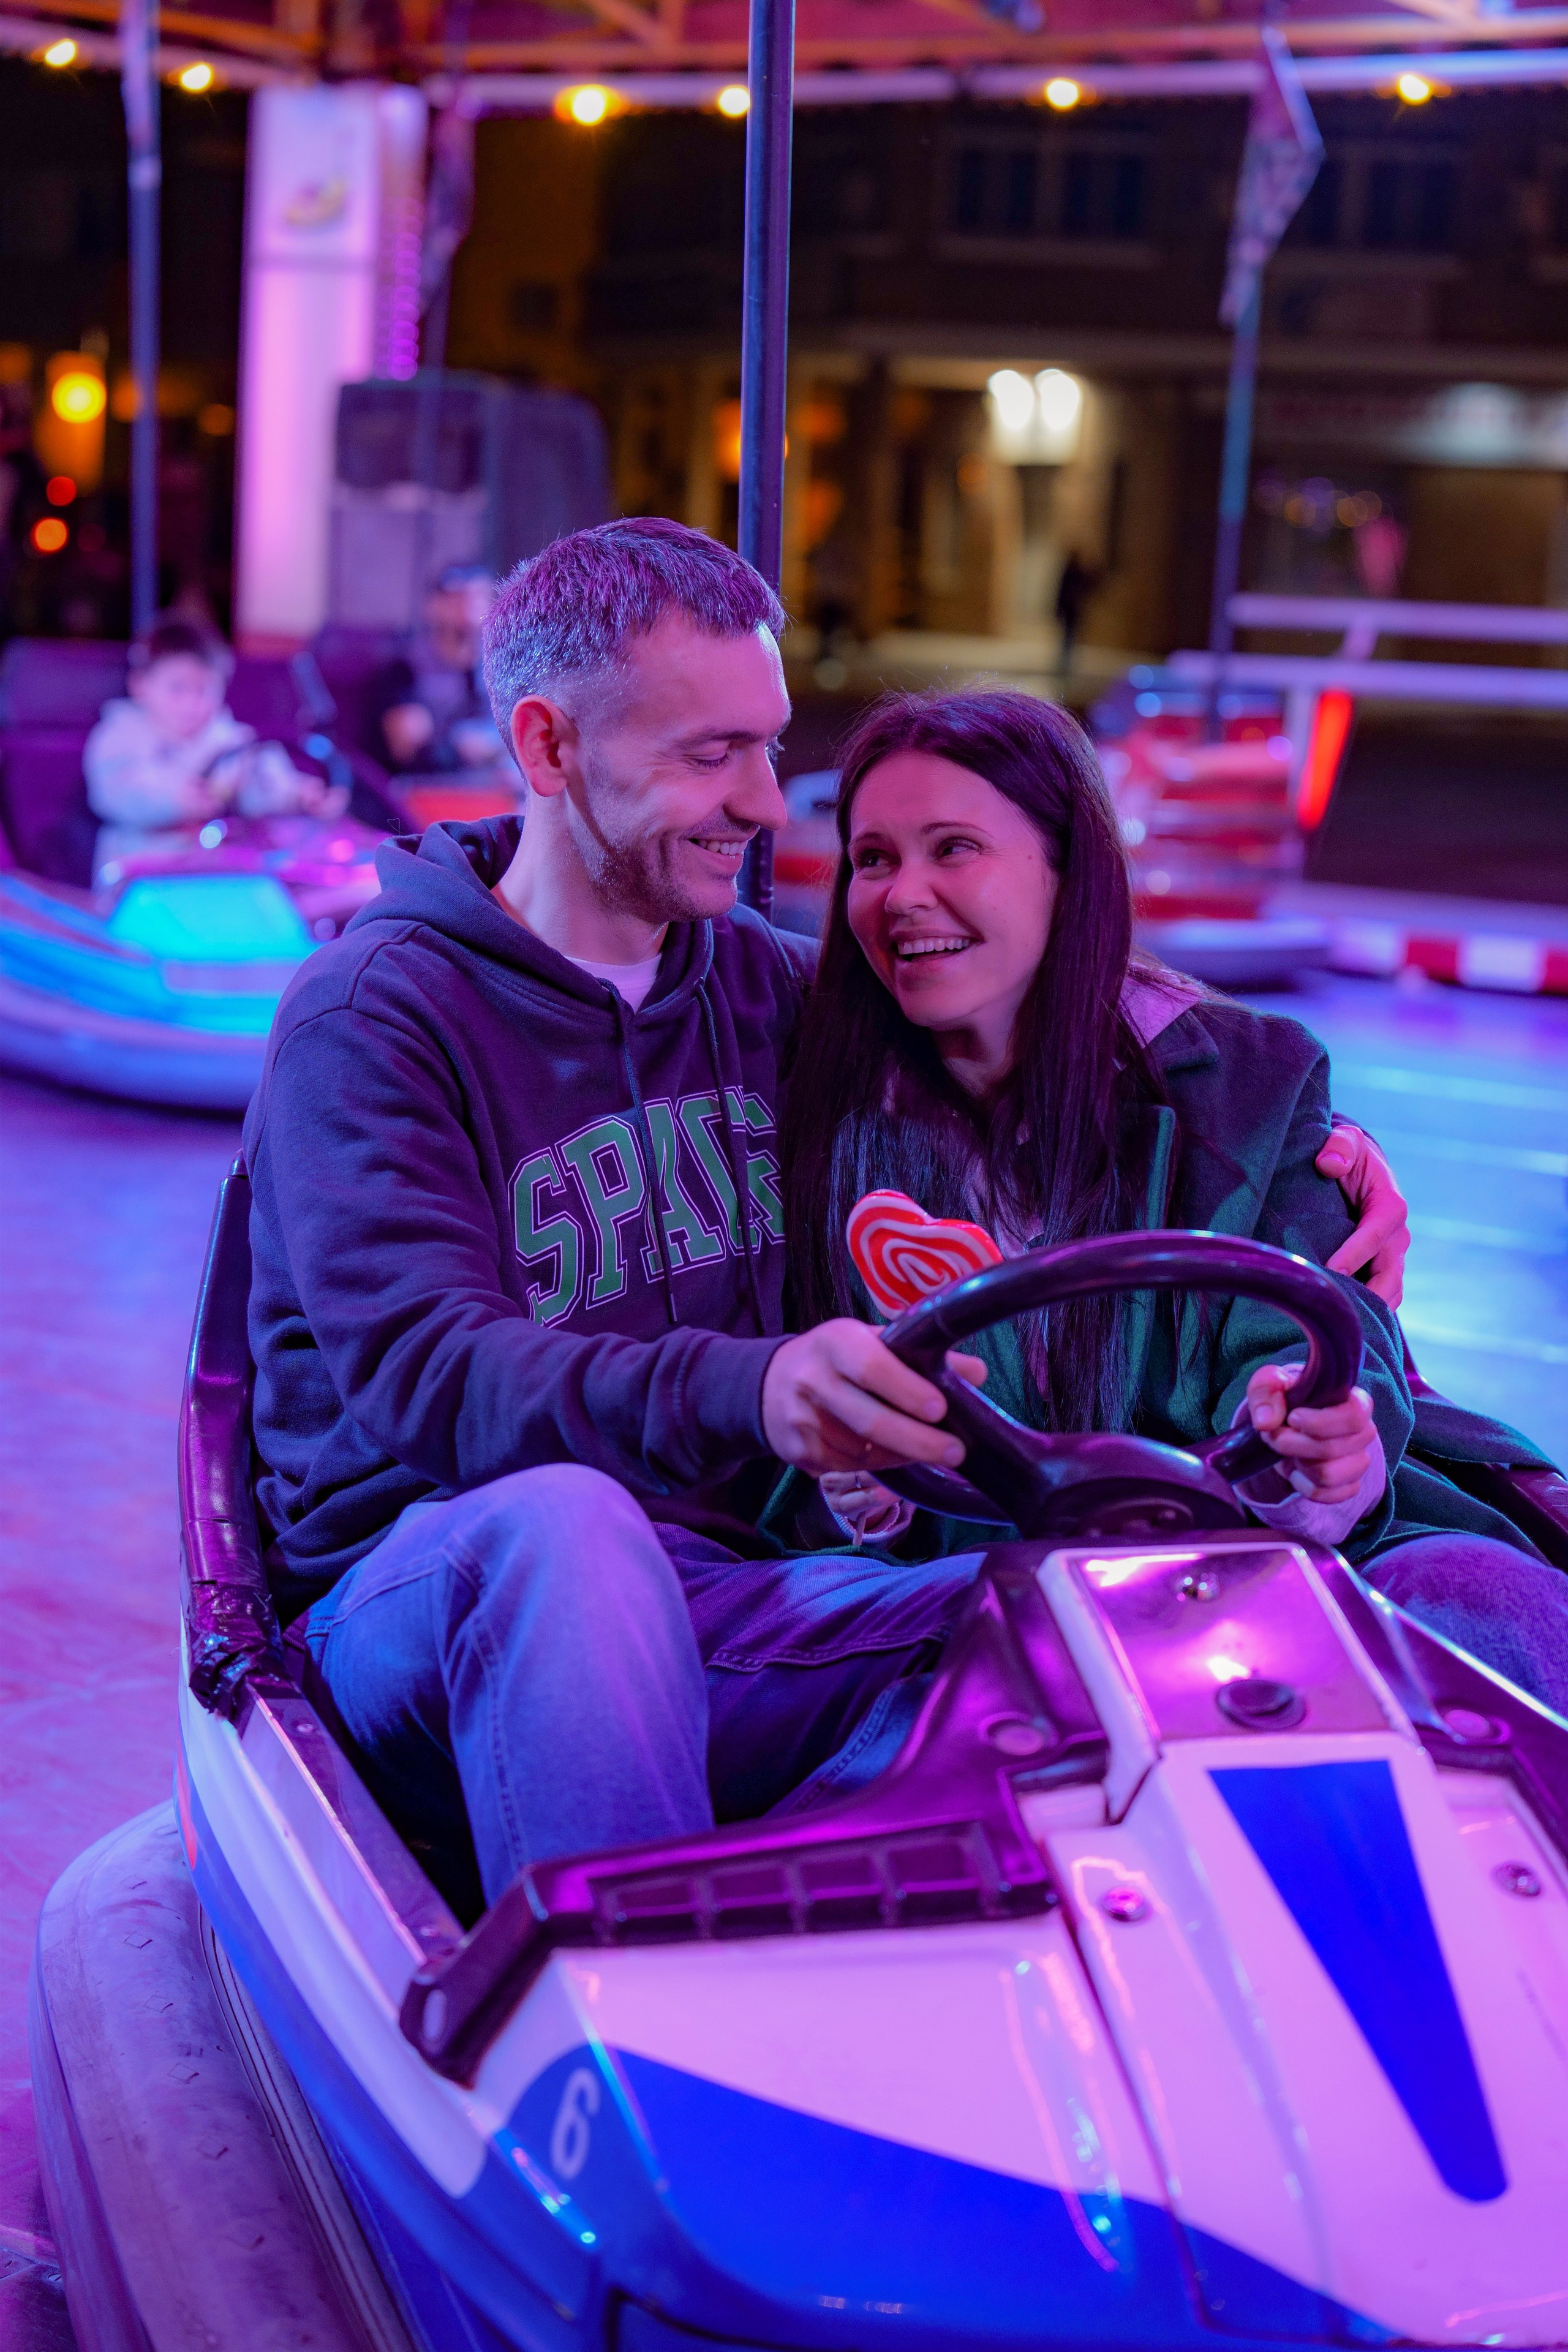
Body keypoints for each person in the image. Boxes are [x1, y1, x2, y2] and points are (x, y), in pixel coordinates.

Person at [243, 518, 1409, 1919]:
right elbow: (427, 1373)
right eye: (703, 754)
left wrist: (1311, 1152)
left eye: (768, 743)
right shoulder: (375, 1018)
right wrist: (760, 1387)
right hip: (432, 1601)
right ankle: (651, 2066)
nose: (760, 800)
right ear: (549, 750)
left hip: (729, 1597)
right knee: (564, 1529)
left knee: (1099, 1613)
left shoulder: (769, 996)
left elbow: (1040, 1021)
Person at [780, 686, 1568, 1708]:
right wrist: (861, 1488)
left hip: (1278, 1560)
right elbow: (803, 1420)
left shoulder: (1246, 1081)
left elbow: (1324, 1332)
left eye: (954, 849)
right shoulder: (823, 1108)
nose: (903, 895)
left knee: (1478, 1602)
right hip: (985, 1586)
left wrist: (1320, 1444)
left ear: (1068, 874)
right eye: (874, 859)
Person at [85, 612, 343, 885]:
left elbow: (265, 782)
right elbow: (118, 790)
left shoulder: (231, 739)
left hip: (214, 871)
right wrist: (175, 797)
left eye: (204, 690)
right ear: (141, 686)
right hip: (141, 870)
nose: (192, 704)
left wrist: (299, 796)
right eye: (178, 688)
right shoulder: (122, 734)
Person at [372, 564, 509, 776]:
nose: (468, 607)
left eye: (478, 597)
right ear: (434, 605)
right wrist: (458, 744)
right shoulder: (407, 665)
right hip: (431, 784)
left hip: (496, 785)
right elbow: (405, 745)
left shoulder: (506, 664)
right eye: (456, 598)